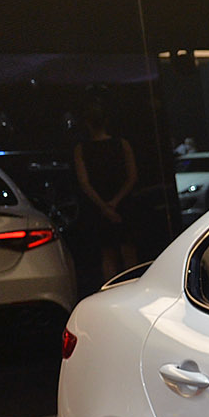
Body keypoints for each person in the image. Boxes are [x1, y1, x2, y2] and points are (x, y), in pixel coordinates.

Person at [72, 101, 138, 286]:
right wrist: (116, 202)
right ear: (106, 121)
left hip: (98, 207)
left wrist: (104, 206)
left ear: (87, 123)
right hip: (123, 204)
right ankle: (134, 288)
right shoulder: (122, 144)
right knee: (129, 251)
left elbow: (84, 183)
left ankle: (111, 291)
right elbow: (132, 177)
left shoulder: (81, 149)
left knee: (107, 253)